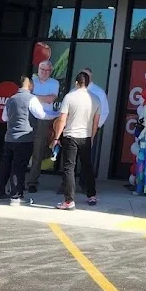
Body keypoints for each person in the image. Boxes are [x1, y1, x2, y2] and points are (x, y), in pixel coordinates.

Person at [0, 75, 47, 205]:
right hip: (24, 138)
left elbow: (4, 118)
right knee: (18, 167)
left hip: (9, 138)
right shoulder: (31, 99)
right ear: (30, 85)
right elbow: (41, 115)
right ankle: (16, 196)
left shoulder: (11, 99)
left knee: (5, 166)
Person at [49, 71, 98, 210]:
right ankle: (92, 195)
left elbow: (62, 119)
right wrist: (92, 137)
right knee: (87, 166)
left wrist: (56, 137)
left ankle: (69, 200)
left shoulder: (69, 97)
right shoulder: (95, 99)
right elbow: (96, 122)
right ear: (88, 83)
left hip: (70, 136)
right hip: (86, 136)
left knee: (69, 168)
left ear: (76, 83)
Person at [25, 60, 61, 193]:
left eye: (47, 70)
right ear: (38, 69)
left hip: (43, 119)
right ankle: (18, 178)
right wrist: (40, 97)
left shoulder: (54, 83)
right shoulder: (31, 80)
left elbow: (51, 99)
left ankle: (32, 181)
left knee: (38, 151)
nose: (45, 72)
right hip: (28, 117)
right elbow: (25, 96)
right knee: (23, 148)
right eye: (42, 69)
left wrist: (33, 97)